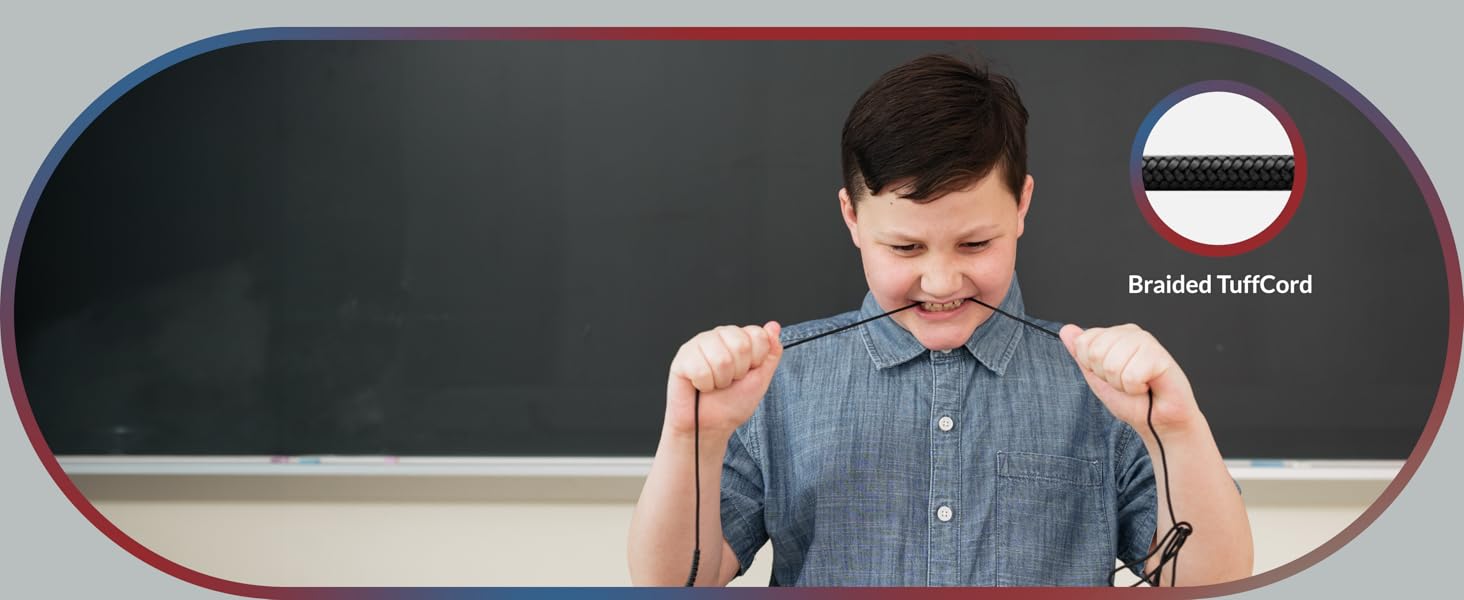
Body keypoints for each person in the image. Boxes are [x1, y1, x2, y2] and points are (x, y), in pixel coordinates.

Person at [626, 53, 1253, 586]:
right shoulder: (774, 379)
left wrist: (1177, 427)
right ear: (852, 218)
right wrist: (692, 440)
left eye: (976, 245)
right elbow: (677, 582)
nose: (942, 283)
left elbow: (1211, 583)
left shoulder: (1103, 390)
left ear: (1022, 205)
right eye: (905, 249)